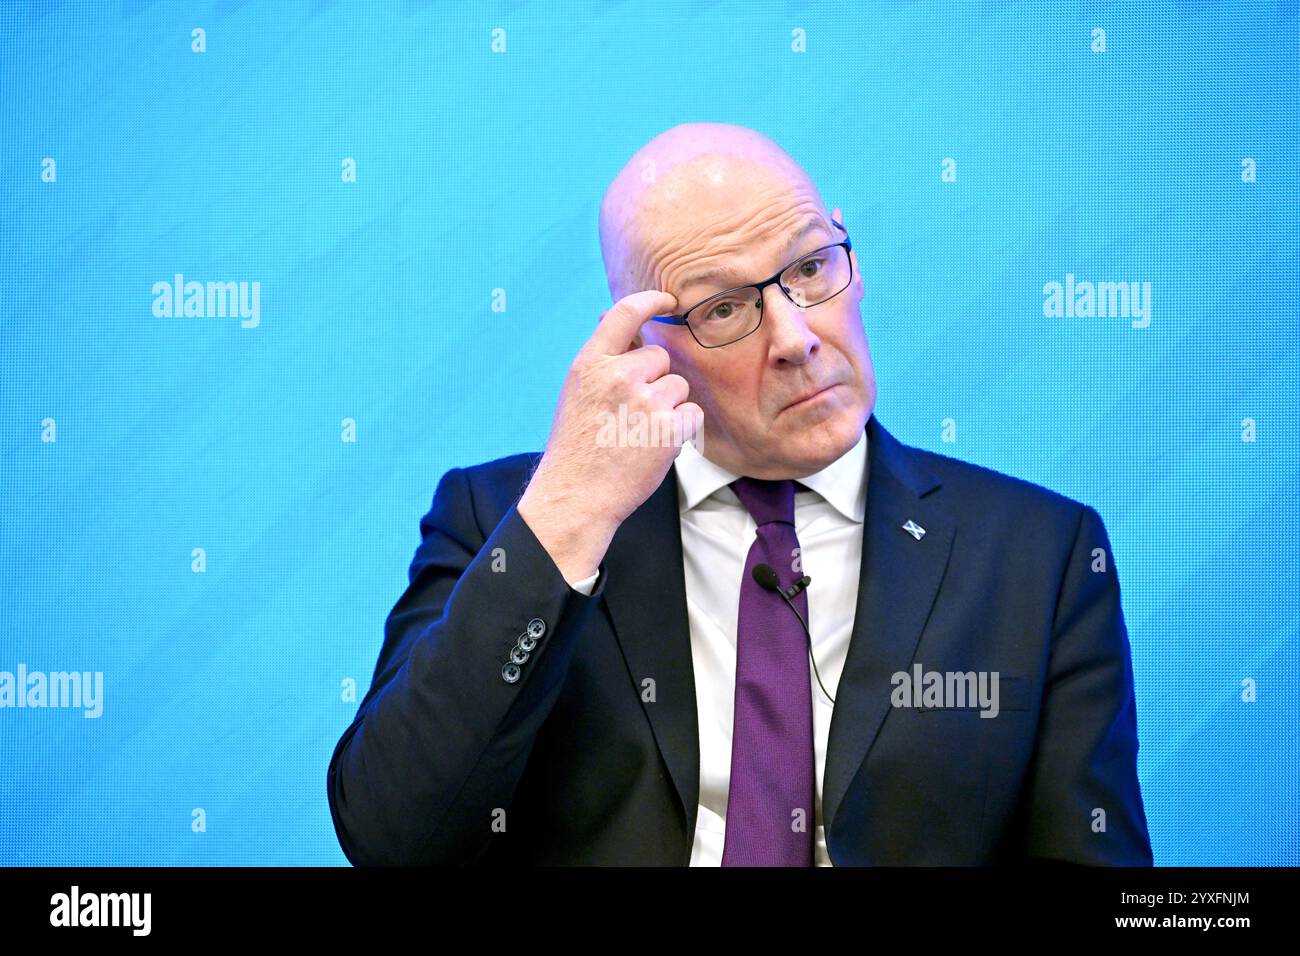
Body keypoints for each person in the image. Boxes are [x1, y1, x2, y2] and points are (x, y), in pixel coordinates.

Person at [326, 122, 1154, 866]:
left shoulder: (1040, 556)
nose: (796, 337)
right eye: (725, 309)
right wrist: (571, 513)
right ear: (649, 347)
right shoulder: (514, 519)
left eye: (810, 267)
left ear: (852, 264)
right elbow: (393, 834)